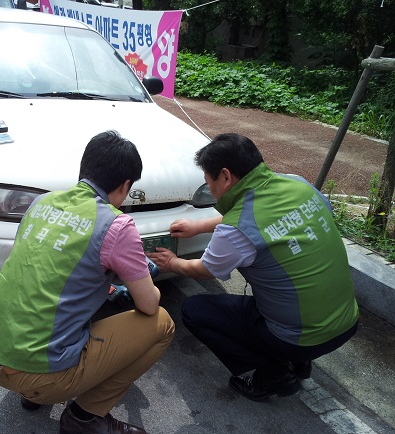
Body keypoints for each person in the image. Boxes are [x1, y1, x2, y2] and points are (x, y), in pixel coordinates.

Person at [0, 130, 175, 433]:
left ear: (85, 169)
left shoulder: (41, 203)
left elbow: (39, 271)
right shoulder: (117, 225)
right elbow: (148, 304)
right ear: (125, 186)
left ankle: (32, 393)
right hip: (41, 377)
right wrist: (148, 279)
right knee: (162, 323)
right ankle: (84, 417)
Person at [147, 133, 359, 402]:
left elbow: (206, 269)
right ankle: (301, 361)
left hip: (300, 336)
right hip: (347, 321)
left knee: (194, 311)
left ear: (225, 177)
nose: (209, 189)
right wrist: (200, 226)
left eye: (208, 181)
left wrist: (173, 263)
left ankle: (274, 374)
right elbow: (258, 214)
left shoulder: (236, 230)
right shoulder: (298, 185)